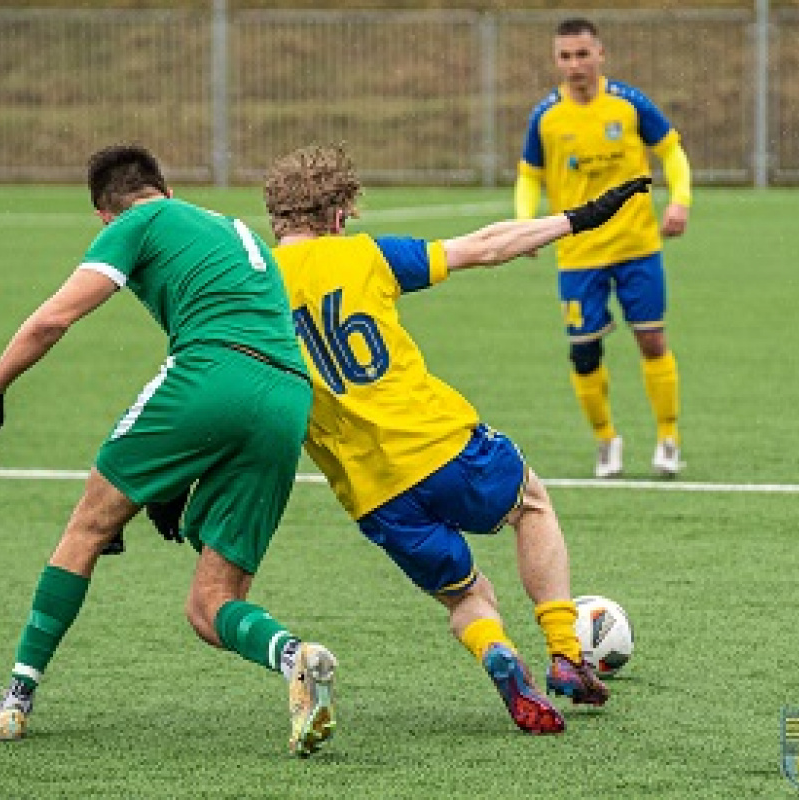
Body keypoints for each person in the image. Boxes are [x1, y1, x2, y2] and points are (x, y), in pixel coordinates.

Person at [247, 144, 646, 735]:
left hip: (372, 493)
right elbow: (485, 247)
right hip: (443, 445)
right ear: (339, 216)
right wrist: (577, 219)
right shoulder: (366, 256)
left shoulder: (252, 292)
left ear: (277, 218)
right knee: (531, 504)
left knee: (465, 599)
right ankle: (565, 653)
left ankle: (497, 654)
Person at [0, 144, 336, 757]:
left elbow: (53, 320)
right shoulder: (231, 227)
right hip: (288, 397)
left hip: (212, 372)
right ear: (167, 188)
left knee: (88, 526)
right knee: (212, 607)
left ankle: (16, 698)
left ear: (105, 215)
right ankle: (297, 657)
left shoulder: (134, 223)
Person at [515, 17, 692, 479]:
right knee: (584, 351)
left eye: (583, 54)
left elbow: (672, 151)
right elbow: (530, 175)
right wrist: (524, 223)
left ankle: (668, 438)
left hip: (637, 246)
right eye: (565, 56)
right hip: (577, 253)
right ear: (556, 60)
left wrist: (680, 200)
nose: (575, 64)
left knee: (652, 338)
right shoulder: (546, 117)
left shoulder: (629, 104)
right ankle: (606, 440)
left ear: (601, 55)